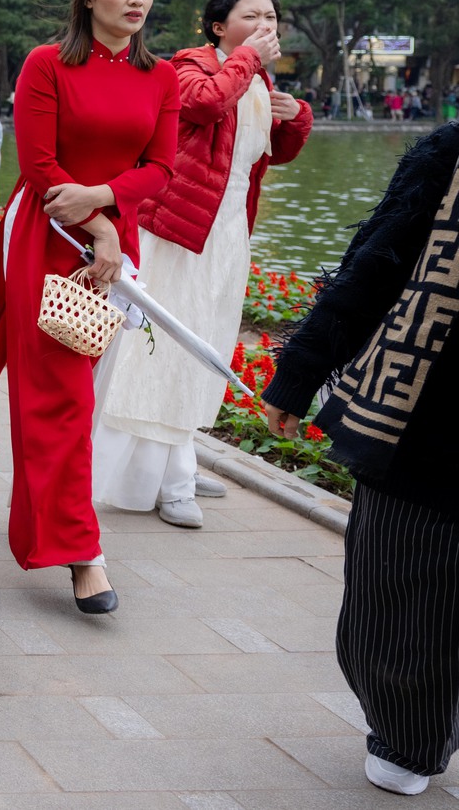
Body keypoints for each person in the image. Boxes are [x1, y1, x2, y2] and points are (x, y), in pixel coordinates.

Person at [0, 0, 179, 616]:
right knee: (57, 400)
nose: (137, 0)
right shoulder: (47, 64)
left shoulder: (162, 78)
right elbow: (38, 167)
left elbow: (161, 169)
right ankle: (83, 553)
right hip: (46, 239)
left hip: (114, 247)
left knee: (77, 397)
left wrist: (106, 208)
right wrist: (101, 223)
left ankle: (47, 528)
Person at [259, 122, 459, 797]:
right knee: (396, 590)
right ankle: (408, 733)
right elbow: (370, 269)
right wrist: (299, 372)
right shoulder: (450, 155)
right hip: (428, 427)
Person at [92, 0, 312, 528]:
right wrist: (248, 62)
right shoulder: (190, 65)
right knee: (161, 348)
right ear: (219, 26)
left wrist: (293, 114)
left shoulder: (254, 80)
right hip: (178, 231)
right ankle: (161, 482)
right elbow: (203, 104)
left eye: (272, 18)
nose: (266, 26)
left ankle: (179, 459)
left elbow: (271, 153)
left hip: (227, 233)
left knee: (204, 347)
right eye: (252, 15)